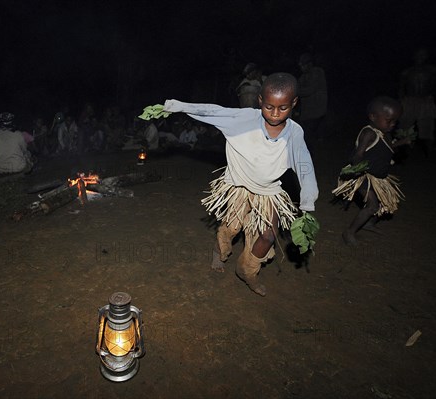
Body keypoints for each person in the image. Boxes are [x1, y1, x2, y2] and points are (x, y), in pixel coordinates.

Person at [163, 72, 318, 296]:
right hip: (239, 187)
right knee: (231, 228)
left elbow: (304, 163)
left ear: (294, 103)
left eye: (283, 108)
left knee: (268, 236)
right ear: (260, 101)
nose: (275, 114)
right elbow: (213, 111)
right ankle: (220, 250)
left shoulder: (294, 132)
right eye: (269, 107)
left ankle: (247, 270)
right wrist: (179, 106)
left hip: (268, 192)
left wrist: (308, 199)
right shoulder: (243, 120)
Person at [332, 96, 411, 246]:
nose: (392, 124)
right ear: (373, 117)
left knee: (385, 203)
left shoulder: (383, 133)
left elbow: (386, 147)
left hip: (377, 176)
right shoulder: (369, 133)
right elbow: (358, 155)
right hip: (363, 176)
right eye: (389, 120)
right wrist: (358, 167)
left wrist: (402, 142)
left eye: (395, 121)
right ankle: (349, 232)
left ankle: (368, 224)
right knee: (372, 205)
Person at [398, 47, 436, 156]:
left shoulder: (432, 70)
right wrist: (401, 103)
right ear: (414, 56)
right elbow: (401, 89)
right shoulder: (406, 72)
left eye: (423, 55)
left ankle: (429, 154)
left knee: (427, 128)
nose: (421, 57)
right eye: (418, 54)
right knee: (404, 128)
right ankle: (402, 152)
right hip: (409, 101)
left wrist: (433, 97)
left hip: (426, 101)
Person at [296, 53, 328, 155]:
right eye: (300, 65)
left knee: (308, 135)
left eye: (303, 65)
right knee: (306, 134)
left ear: (309, 64)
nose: (301, 67)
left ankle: (308, 155)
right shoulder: (303, 77)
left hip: (317, 111)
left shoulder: (317, 72)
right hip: (307, 112)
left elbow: (309, 90)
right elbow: (298, 88)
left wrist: (295, 91)